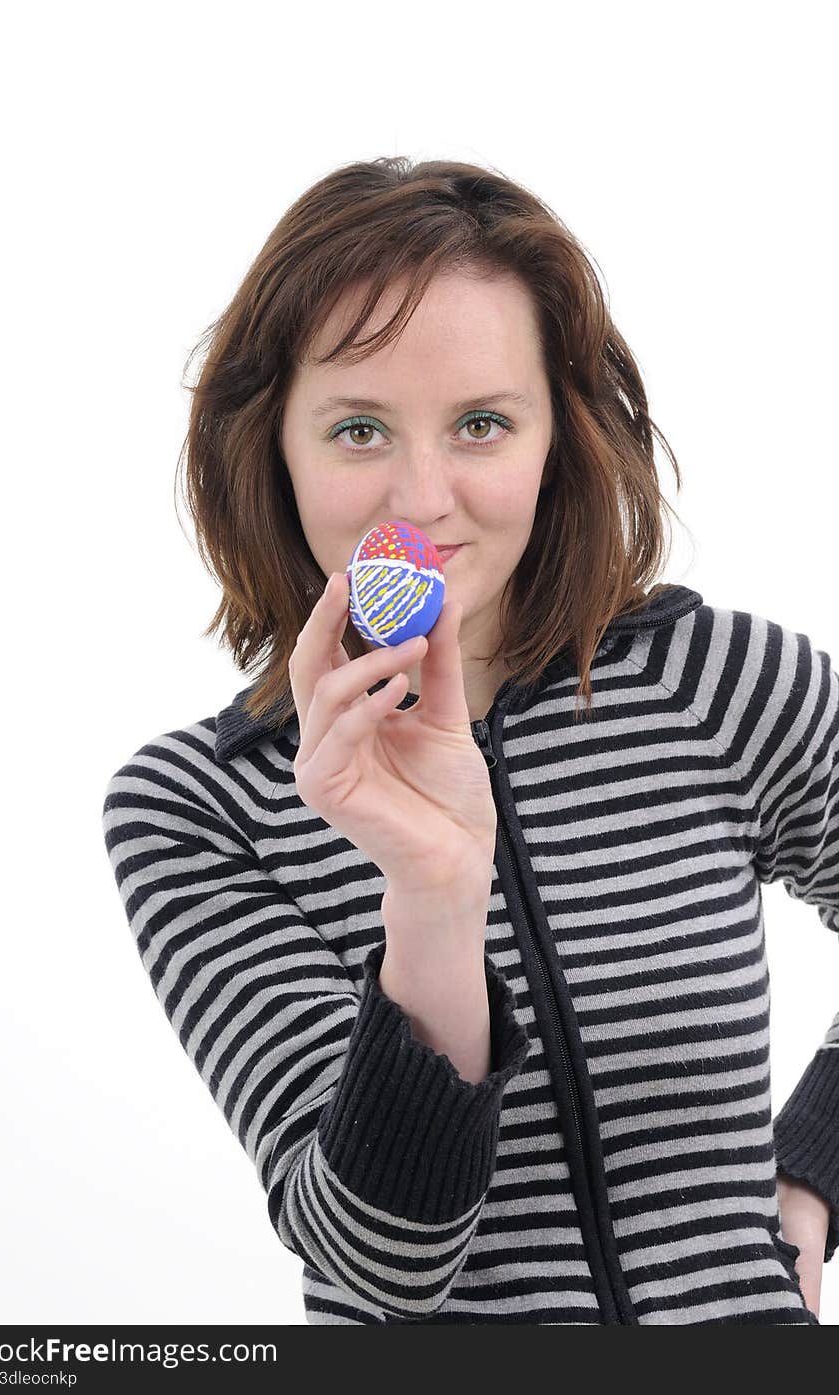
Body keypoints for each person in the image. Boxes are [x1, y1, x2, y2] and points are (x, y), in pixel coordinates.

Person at [102, 156, 838, 1325]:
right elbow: (381, 1267)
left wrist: (813, 1164)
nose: (421, 497)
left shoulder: (721, 681)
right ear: (273, 451)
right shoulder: (197, 806)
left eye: (482, 424)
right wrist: (435, 894)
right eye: (357, 429)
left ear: (561, 438)